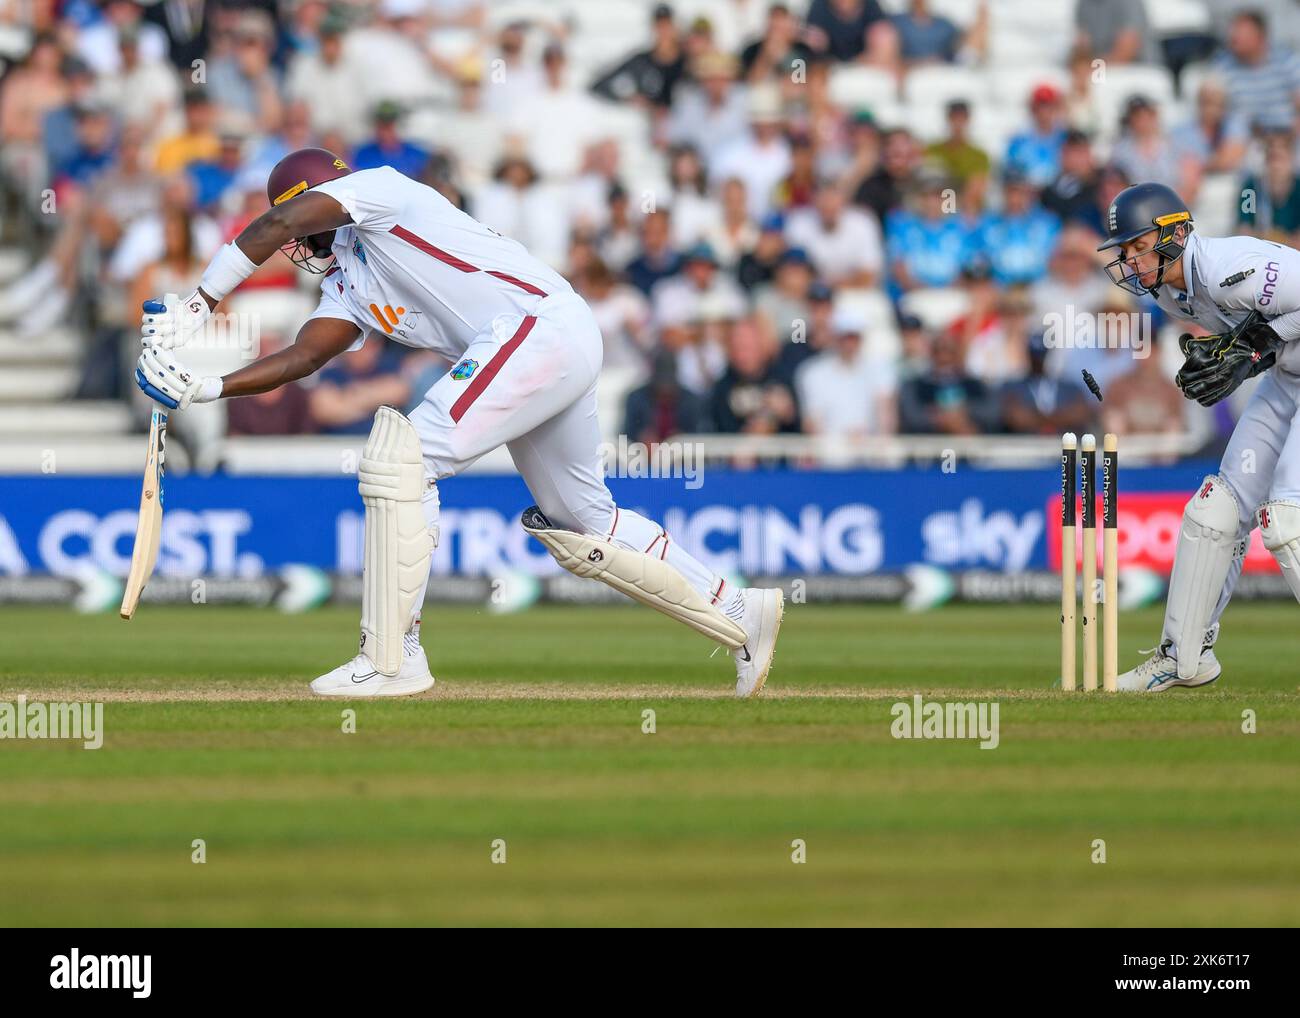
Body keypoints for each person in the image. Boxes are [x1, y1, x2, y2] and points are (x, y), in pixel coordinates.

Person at [132, 148, 784, 699]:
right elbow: (304, 356)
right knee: (590, 521)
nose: (299, 246)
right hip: (542, 346)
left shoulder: (380, 192)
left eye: (301, 230)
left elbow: (278, 221)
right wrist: (205, 385)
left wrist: (198, 302)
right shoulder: (348, 282)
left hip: (538, 330)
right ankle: (738, 609)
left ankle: (393, 657)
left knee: (400, 461)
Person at [1096, 182, 1300, 691]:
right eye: (1126, 252)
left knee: (1286, 523)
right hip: (1290, 379)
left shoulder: (1231, 267)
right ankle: (1183, 657)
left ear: (1177, 234)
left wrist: (1255, 348)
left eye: (1139, 248)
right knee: (1215, 512)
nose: (1132, 262)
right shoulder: (1169, 293)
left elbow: (1273, 328)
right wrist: (1243, 360)